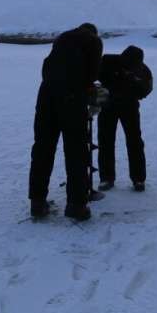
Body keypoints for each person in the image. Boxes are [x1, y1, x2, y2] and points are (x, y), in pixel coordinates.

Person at [28, 23, 103, 221]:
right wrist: (84, 89)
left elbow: (46, 67)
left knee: (43, 148)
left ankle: (37, 202)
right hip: (71, 97)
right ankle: (77, 205)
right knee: (76, 150)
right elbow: (93, 73)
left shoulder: (62, 38)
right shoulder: (94, 41)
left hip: (46, 95)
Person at [97, 46, 153, 192]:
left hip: (130, 106)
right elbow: (91, 76)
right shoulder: (107, 62)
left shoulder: (143, 70)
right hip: (107, 106)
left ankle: (139, 179)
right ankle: (106, 178)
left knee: (135, 141)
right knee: (105, 141)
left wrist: (133, 81)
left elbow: (146, 89)